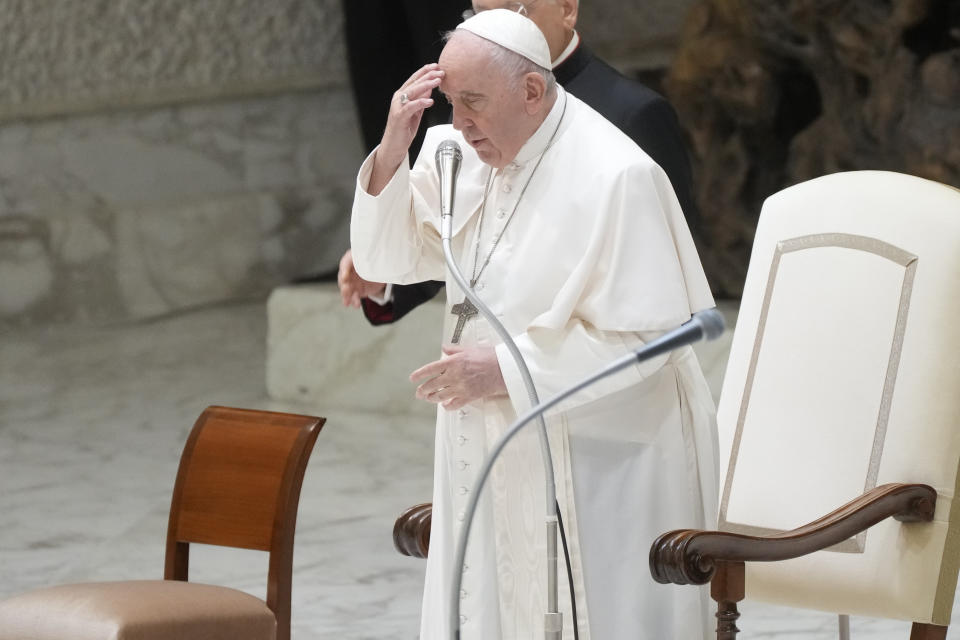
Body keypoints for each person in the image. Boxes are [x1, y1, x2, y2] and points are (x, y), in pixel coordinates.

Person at [350, 9, 717, 639]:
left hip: (605, 445)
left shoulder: (615, 173)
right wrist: (391, 148)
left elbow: (649, 337)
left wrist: (502, 368)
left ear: (531, 91)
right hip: (492, 430)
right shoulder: (456, 154)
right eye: (450, 102)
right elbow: (391, 259)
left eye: (474, 103)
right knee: (492, 603)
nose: (460, 123)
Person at [339, 0, 699, 324]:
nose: (497, 29)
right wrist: (386, 259)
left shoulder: (630, 115)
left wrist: (512, 369)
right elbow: (455, 242)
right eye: (482, 14)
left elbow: (658, 285)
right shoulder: (465, 116)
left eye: (516, 11)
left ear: (567, 8)